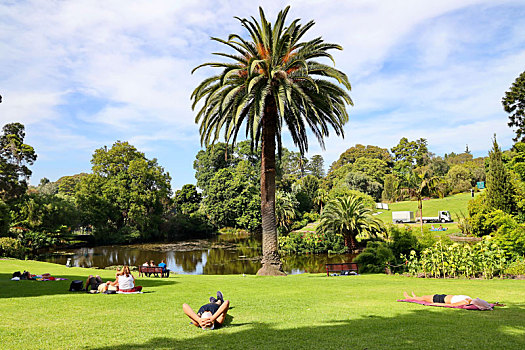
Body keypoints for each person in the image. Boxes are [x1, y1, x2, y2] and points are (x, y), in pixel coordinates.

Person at [403, 292, 492, 310]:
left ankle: (409, 298)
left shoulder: (466, 302)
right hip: (444, 296)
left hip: (440, 299)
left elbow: (452, 305)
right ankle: (414, 297)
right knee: (423, 297)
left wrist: (434, 304)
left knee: (424, 298)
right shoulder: (468, 298)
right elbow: (487, 304)